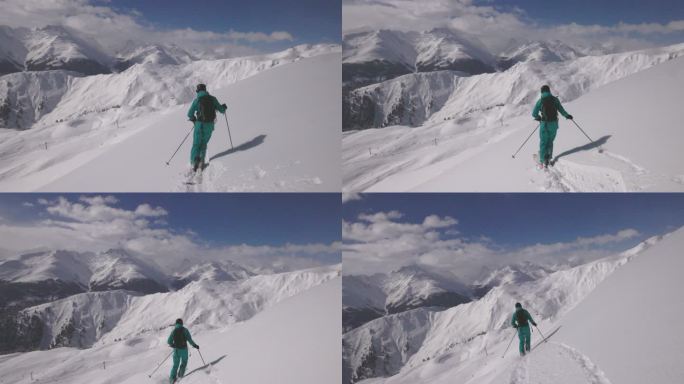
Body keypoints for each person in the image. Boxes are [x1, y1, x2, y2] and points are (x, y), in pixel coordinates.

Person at [187, 83, 227, 171]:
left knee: (196, 144)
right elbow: (221, 110)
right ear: (205, 90)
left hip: (199, 125)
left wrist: (194, 119)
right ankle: (201, 160)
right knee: (203, 143)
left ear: (198, 91)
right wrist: (224, 108)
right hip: (209, 125)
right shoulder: (213, 99)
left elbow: (189, 114)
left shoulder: (197, 100)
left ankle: (194, 161)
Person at [531, 85, 573, 168]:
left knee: (543, 143)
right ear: (549, 91)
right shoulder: (555, 99)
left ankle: (542, 161)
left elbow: (534, 113)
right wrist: (567, 116)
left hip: (544, 124)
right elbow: (561, 110)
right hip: (553, 124)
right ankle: (549, 159)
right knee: (550, 142)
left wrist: (538, 117)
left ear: (542, 92)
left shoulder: (540, 101)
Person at [168, 318, 199, 383]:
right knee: (184, 362)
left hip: (176, 350)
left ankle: (171, 379)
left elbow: (169, 341)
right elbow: (190, 340)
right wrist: (195, 345)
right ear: (182, 323)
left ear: (176, 323)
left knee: (175, 365)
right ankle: (180, 376)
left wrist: (173, 345)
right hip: (184, 350)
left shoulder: (174, 331)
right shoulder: (185, 330)